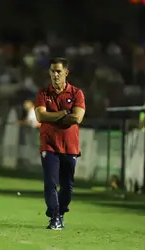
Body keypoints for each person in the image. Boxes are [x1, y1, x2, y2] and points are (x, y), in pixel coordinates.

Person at [34, 57, 85, 230]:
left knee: (67, 187)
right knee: (50, 183)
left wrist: (53, 116)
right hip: (48, 144)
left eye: (58, 71)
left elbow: (77, 117)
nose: (55, 75)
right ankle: (54, 217)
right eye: (52, 71)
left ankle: (61, 212)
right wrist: (64, 114)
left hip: (70, 146)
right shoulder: (43, 94)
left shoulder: (77, 93)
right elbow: (40, 116)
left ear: (66, 73)